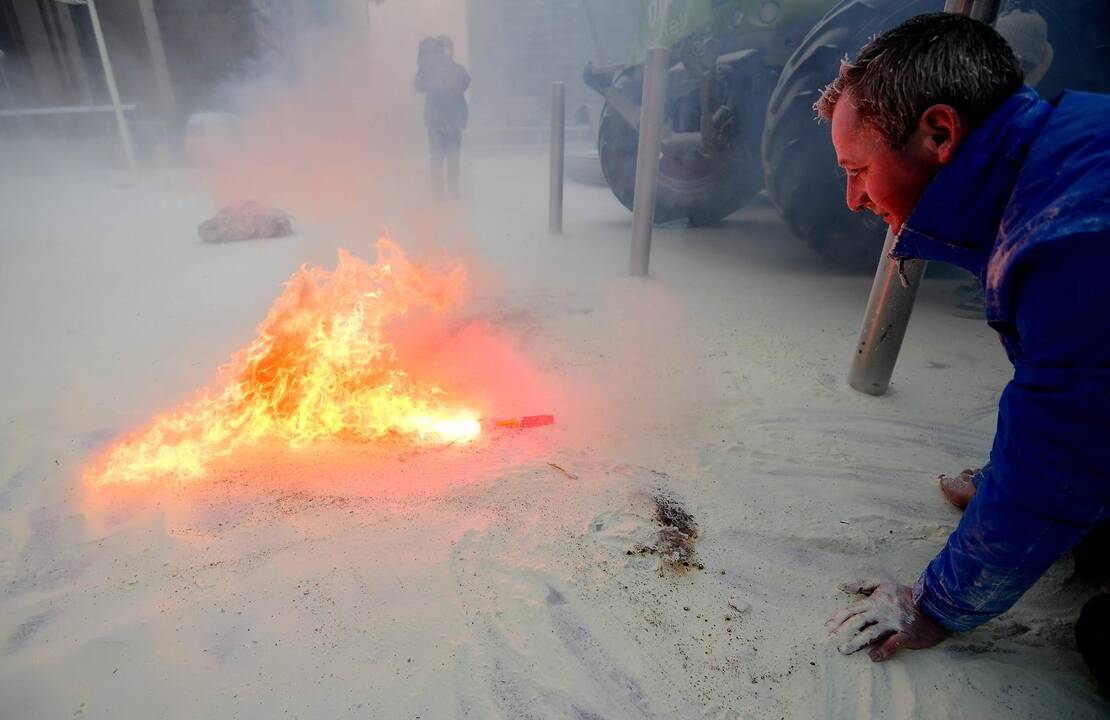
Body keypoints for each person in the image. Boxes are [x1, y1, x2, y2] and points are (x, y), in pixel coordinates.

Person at [814, 13, 1110, 690]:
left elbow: (1060, 462)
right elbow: (1075, 383)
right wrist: (1006, 477)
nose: (854, 199)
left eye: (858, 170)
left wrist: (937, 604)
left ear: (940, 132)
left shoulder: (1075, 237)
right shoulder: (1068, 151)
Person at [414, 35, 471, 200]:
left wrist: (444, 62)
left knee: (450, 158)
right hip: (438, 121)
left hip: (450, 120)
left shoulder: (455, 69)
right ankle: (440, 194)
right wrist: (427, 66)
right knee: (440, 158)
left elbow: (465, 81)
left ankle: (449, 193)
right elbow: (418, 85)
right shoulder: (431, 71)